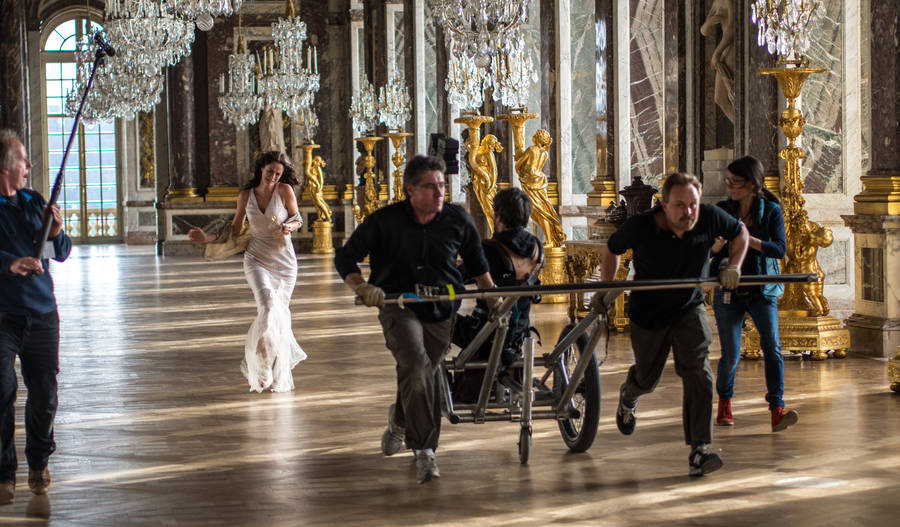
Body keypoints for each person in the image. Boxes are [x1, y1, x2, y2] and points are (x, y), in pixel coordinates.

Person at [334, 155, 497, 484]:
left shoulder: (458, 220)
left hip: (441, 309)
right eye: (431, 187)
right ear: (411, 190)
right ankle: (425, 451)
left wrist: (495, 301)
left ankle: (398, 420)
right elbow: (345, 256)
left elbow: (479, 267)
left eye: (442, 186)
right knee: (416, 365)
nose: (440, 193)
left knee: (421, 372)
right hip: (398, 305)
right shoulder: (384, 221)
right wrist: (361, 285)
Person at [601, 172, 749, 477]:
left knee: (699, 372)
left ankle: (700, 450)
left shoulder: (709, 217)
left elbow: (740, 234)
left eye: (693, 204)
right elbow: (612, 249)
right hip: (649, 312)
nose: (688, 212)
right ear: (664, 205)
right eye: (680, 206)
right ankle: (629, 396)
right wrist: (606, 288)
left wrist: (734, 264)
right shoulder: (642, 225)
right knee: (647, 378)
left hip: (688, 307)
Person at [189, 151, 306, 393]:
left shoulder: (285, 190)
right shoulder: (246, 196)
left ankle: (276, 369)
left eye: (278, 173)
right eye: (270, 171)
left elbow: (298, 218)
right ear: (261, 169)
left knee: (278, 316)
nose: (273, 176)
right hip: (256, 260)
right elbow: (232, 231)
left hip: (285, 263)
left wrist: (289, 226)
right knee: (268, 308)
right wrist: (205, 238)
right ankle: (261, 367)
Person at [0, 129, 72, 503]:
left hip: (43, 313)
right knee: (2, 390)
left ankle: (38, 462)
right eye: (23, 160)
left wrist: (57, 232)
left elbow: (58, 253)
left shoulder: (33, 200)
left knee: (44, 395)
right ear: (5, 166)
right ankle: (3, 473)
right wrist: (11, 264)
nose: (30, 166)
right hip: (3, 316)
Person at [710, 156, 798, 431]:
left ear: (752, 184)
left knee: (772, 347)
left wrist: (747, 239)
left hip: (762, 288)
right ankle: (725, 402)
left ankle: (777, 407)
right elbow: (711, 252)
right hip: (729, 289)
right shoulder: (722, 209)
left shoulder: (771, 210)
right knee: (731, 353)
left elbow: (780, 249)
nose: (730, 187)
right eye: (729, 181)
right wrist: (717, 247)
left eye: (735, 182)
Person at [451, 187, 542, 400]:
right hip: (519, 333)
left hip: (483, 334)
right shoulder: (537, 248)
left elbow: (459, 277)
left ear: (497, 216)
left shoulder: (488, 249)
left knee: (438, 319)